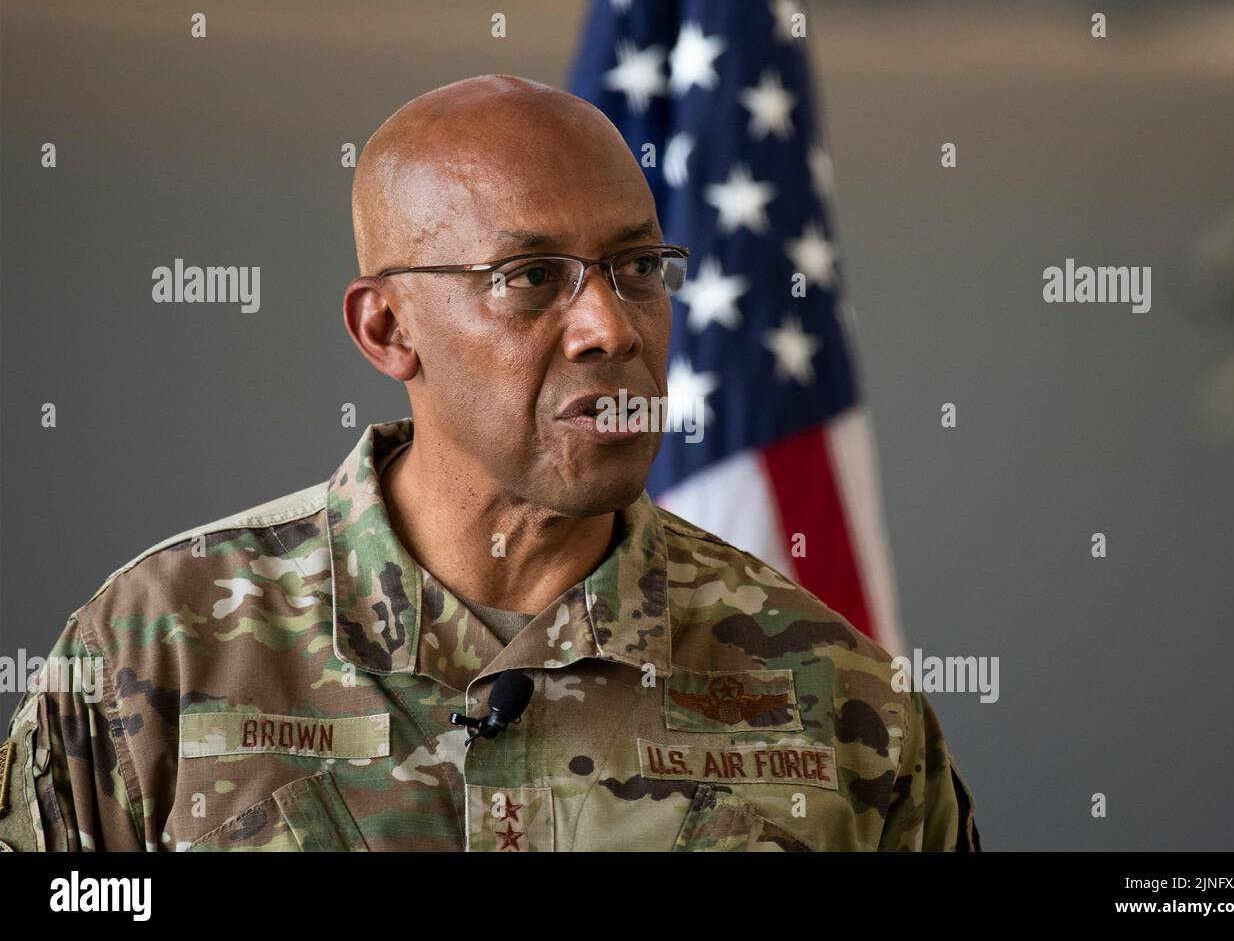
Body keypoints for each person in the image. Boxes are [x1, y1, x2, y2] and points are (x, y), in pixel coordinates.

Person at [0, 75, 978, 851]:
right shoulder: (159, 651)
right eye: (531, 278)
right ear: (387, 329)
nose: (608, 326)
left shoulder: (840, 701)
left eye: (638, 268)